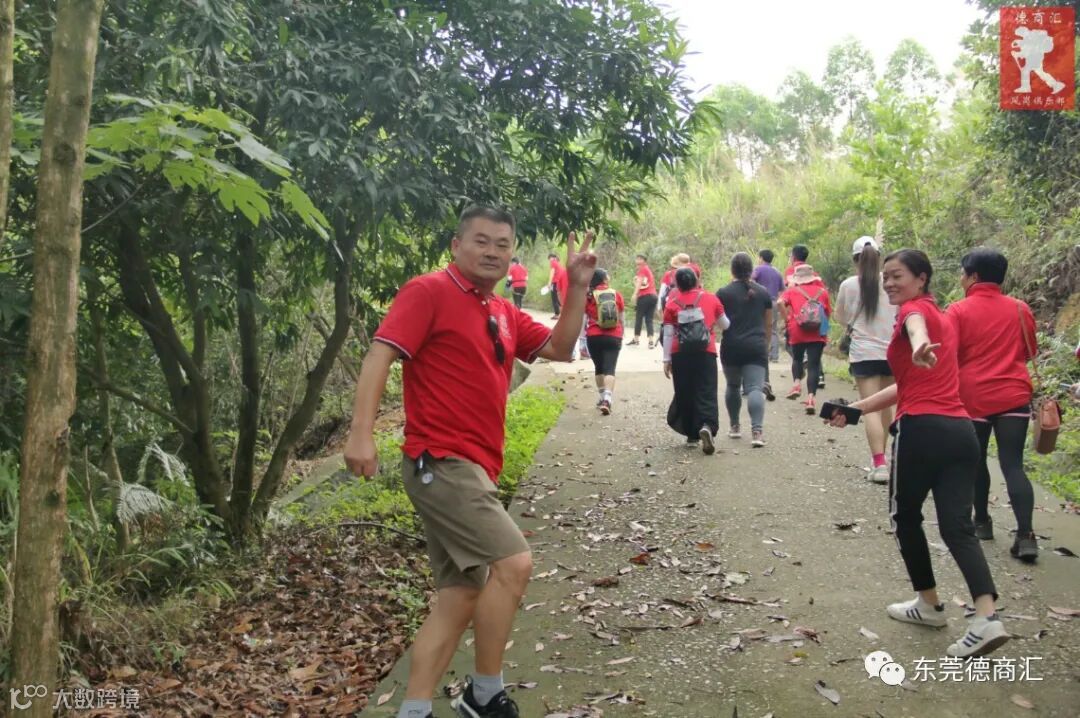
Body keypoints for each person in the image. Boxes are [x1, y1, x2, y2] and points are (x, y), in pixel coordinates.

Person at [343, 206, 597, 718]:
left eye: (502, 244)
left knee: (460, 593)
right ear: (456, 245)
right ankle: (484, 694)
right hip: (441, 460)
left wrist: (576, 287)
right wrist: (360, 433)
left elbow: (561, 347)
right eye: (481, 241)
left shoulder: (500, 309)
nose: (492, 252)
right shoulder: (428, 291)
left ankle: (414, 710)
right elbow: (380, 354)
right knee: (514, 563)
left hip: (476, 466)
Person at [826, 248, 1009, 659]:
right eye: (886, 276)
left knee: (904, 516)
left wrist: (919, 342)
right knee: (958, 527)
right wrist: (855, 410)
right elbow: (906, 385)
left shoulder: (915, 312)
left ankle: (928, 604)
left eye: (898, 275)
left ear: (921, 278)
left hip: (921, 431)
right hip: (960, 432)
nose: (889, 282)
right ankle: (987, 617)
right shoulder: (945, 317)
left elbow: (915, 326)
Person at [947, 248, 1039, 562]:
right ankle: (1026, 535)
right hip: (1014, 394)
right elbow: (1030, 351)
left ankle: (982, 522)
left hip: (973, 397)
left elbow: (949, 355)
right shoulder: (1020, 309)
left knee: (976, 462)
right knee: (1013, 465)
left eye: (963, 273)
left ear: (974, 276)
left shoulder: (958, 311)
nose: (961, 279)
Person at [833, 237, 897, 484]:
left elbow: (840, 316)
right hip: (892, 351)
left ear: (855, 260)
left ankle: (879, 464)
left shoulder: (849, 285)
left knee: (870, 407)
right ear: (879, 258)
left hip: (863, 353)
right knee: (888, 406)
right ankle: (888, 457)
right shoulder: (892, 283)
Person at [662, 267, 729, 454]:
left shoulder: (671, 303)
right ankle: (707, 425)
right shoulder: (711, 298)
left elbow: (668, 334)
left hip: (680, 353)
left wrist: (666, 359)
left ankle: (691, 435)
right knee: (706, 390)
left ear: (677, 284)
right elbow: (725, 324)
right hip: (706, 352)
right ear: (696, 281)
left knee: (685, 391)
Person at [717, 252, 772, 447]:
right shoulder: (763, 293)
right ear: (751, 270)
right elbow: (768, 324)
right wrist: (765, 345)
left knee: (732, 386)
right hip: (756, 346)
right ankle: (757, 432)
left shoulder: (723, 293)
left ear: (732, 270)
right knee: (755, 388)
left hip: (731, 346)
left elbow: (718, 322)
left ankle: (734, 427)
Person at [779, 264, 830, 415]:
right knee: (814, 365)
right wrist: (823, 331)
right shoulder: (823, 292)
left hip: (797, 329)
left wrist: (787, 319)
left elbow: (779, 302)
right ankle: (811, 399)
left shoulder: (792, 291)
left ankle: (796, 384)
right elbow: (827, 313)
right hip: (817, 333)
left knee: (797, 358)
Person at [584, 269, 625, 415]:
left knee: (599, 368)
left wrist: (582, 338)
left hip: (593, 336)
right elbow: (621, 318)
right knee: (610, 368)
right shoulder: (616, 294)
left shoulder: (589, 296)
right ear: (604, 279)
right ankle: (607, 399)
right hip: (614, 336)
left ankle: (602, 398)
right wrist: (622, 333)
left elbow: (584, 319)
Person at [751, 249, 784, 366]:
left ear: (761, 258)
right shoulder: (777, 272)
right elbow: (782, 289)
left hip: (759, 302)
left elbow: (750, 281)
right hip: (773, 302)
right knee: (773, 328)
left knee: (757, 326)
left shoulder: (758, 269)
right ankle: (774, 355)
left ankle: (760, 353)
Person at [628, 254, 658, 348]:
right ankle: (651, 341)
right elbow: (644, 283)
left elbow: (640, 282)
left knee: (639, 317)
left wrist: (635, 294)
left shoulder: (643, 269)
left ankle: (636, 339)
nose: (637, 260)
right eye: (637, 258)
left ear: (644, 261)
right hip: (653, 296)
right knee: (649, 319)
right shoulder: (647, 269)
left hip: (645, 296)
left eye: (640, 259)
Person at [547, 252, 568, 319]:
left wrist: (549, 282)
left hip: (555, 282)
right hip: (560, 282)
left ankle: (557, 314)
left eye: (549, 259)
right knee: (558, 298)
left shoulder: (553, 262)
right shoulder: (558, 263)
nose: (549, 261)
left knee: (554, 298)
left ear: (551, 258)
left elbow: (552, 272)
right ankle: (562, 313)